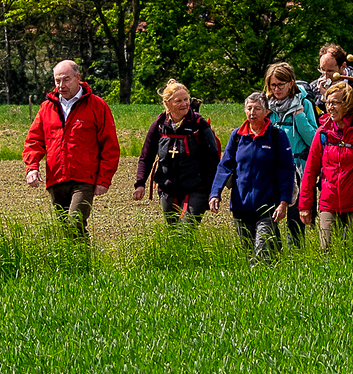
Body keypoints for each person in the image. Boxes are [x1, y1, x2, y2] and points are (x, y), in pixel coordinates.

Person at [22, 59, 121, 239]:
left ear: (78, 78)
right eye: (57, 81)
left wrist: (104, 179)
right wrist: (32, 167)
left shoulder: (97, 106)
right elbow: (34, 140)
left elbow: (110, 146)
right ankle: (78, 265)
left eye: (66, 80)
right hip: (56, 179)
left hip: (84, 179)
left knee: (75, 223)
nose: (61, 85)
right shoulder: (46, 108)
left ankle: (81, 265)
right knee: (66, 230)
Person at [297, 80, 353, 250]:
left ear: (347, 104)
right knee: (327, 250)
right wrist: (305, 206)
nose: (329, 107)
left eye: (334, 103)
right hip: (329, 202)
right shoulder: (323, 132)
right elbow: (310, 171)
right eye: (327, 103)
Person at [211, 91, 297, 263]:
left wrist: (284, 202)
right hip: (241, 205)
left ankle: (265, 278)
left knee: (262, 252)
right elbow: (225, 166)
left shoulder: (276, 136)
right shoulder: (237, 136)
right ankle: (261, 283)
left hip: (267, 205)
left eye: (257, 108)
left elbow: (287, 170)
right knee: (248, 250)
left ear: (267, 112)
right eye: (249, 108)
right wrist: (215, 193)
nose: (252, 112)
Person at [132, 80, 219, 224]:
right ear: (167, 103)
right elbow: (146, 156)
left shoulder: (199, 125)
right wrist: (140, 183)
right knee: (173, 234)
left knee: (185, 232)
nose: (184, 104)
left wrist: (214, 191)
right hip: (168, 189)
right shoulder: (159, 126)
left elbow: (213, 159)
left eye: (186, 99)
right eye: (178, 101)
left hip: (197, 188)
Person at [265, 62, 317, 248]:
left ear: (291, 83)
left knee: (295, 217)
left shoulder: (304, 104)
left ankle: (295, 254)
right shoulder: (266, 106)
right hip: (272, 168)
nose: (277, 89)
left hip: (298, 167)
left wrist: (299, 117)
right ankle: (272, 252)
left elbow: (314, 139)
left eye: (281, 84)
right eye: (273, 85)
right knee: (270, 213)